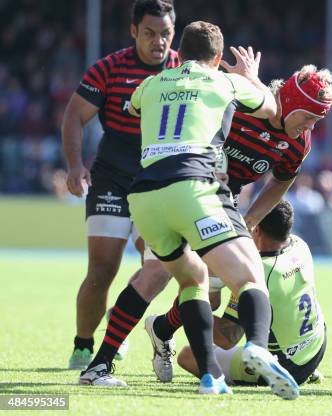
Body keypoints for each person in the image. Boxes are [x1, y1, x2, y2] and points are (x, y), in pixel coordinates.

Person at [72, 62, 332, 386]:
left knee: (206, 291)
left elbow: (281, 181)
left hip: (219, 204)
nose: (310, 126)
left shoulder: (298, 143)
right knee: (158, 275)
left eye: (317, 120)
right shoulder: (240, 105)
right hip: (182, 189)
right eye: (309, 116)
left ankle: (170, 340)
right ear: (293, 103)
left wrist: (251, 217)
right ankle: (103, 361)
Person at [61, 0, 179, 370]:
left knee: (159, 269)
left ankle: (120, 315)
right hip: (112, 179)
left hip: (159, 183)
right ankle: (83, 345)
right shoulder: (109, 68)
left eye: (165, 34)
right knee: (102, 270)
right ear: (133, 32)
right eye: (149, 33)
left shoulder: (184, 69)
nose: (158, 41)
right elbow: (74, 116)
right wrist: (75, 165)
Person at [174, 200, 326, 387]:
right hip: (316, 347)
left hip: (288, 364)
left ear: (257, 228)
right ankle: (308, 367)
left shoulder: (258, 273)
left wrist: (190, 308)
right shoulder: (300, 245)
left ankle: (285, 371)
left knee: (187, 356)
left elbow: (227, 338)